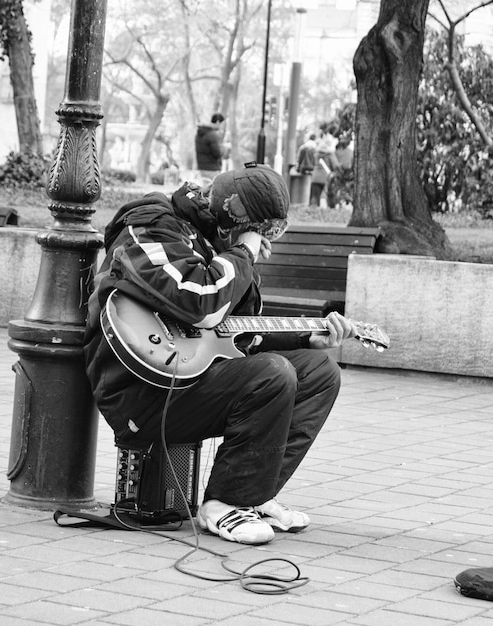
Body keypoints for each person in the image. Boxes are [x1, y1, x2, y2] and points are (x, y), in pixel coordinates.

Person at [83, 163, 359, 545]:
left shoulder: (218, 247)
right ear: (238, 217)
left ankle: (253, 494)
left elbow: (233, 335)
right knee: (273, 374)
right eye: (261, 233)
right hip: (141, 393)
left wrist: (306, 338)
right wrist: (243, 252)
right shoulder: (149, 225)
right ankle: (225, 503)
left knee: (318, 371)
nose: (264, 244)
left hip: (189, 379)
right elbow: (202, 303)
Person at [195, 113, 228, 181]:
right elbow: (217, 153)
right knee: (213, 190)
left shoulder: (200, 133)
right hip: (212, 169)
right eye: (222, 124)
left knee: (205, 189)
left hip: (202, 168)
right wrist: (224, 147)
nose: (222, 127)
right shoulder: (212, 135)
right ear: (218, 122)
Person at [310, 132, 339, 207]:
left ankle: (313, 213)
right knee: (330, 195)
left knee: (315, 198)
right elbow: (335, 166)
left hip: (315, 177)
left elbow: (312, 164)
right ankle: (331, 211)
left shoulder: (316, 153)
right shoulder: (330, 154)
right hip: (327, 177)